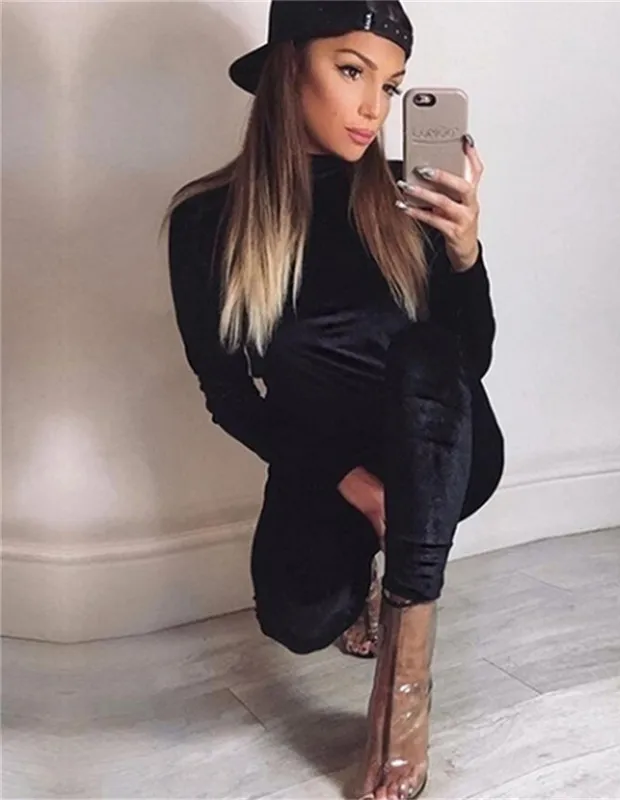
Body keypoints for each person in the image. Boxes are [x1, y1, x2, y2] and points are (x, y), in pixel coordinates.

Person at [161, 2, 504, 798]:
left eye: (391, 86)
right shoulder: (207, 221)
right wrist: (348, 481)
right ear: (290, 67)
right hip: (324, 457)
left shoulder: (410, 198)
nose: (372, 108)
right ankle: (368, 577)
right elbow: (227, 393)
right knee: (299, 618)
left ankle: (405, 675)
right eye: (352, 71)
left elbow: (469, 362)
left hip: (442, 447)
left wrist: (465, 255)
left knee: (425, 351)